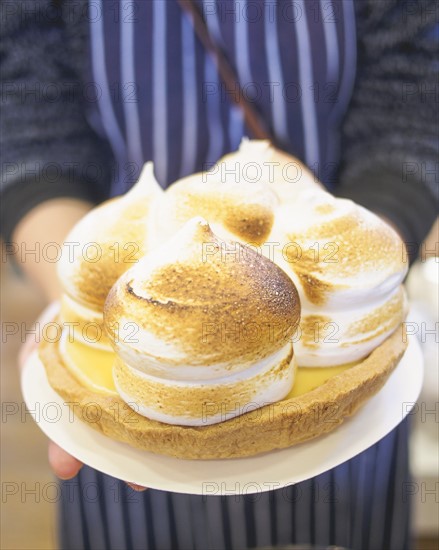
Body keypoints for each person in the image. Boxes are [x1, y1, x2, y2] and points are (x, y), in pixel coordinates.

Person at [1, 1, 437, 548]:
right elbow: (27, 117)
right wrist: (72, 291)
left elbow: (412, 100)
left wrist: (359, 271)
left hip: (339, 355)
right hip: (135, 352)